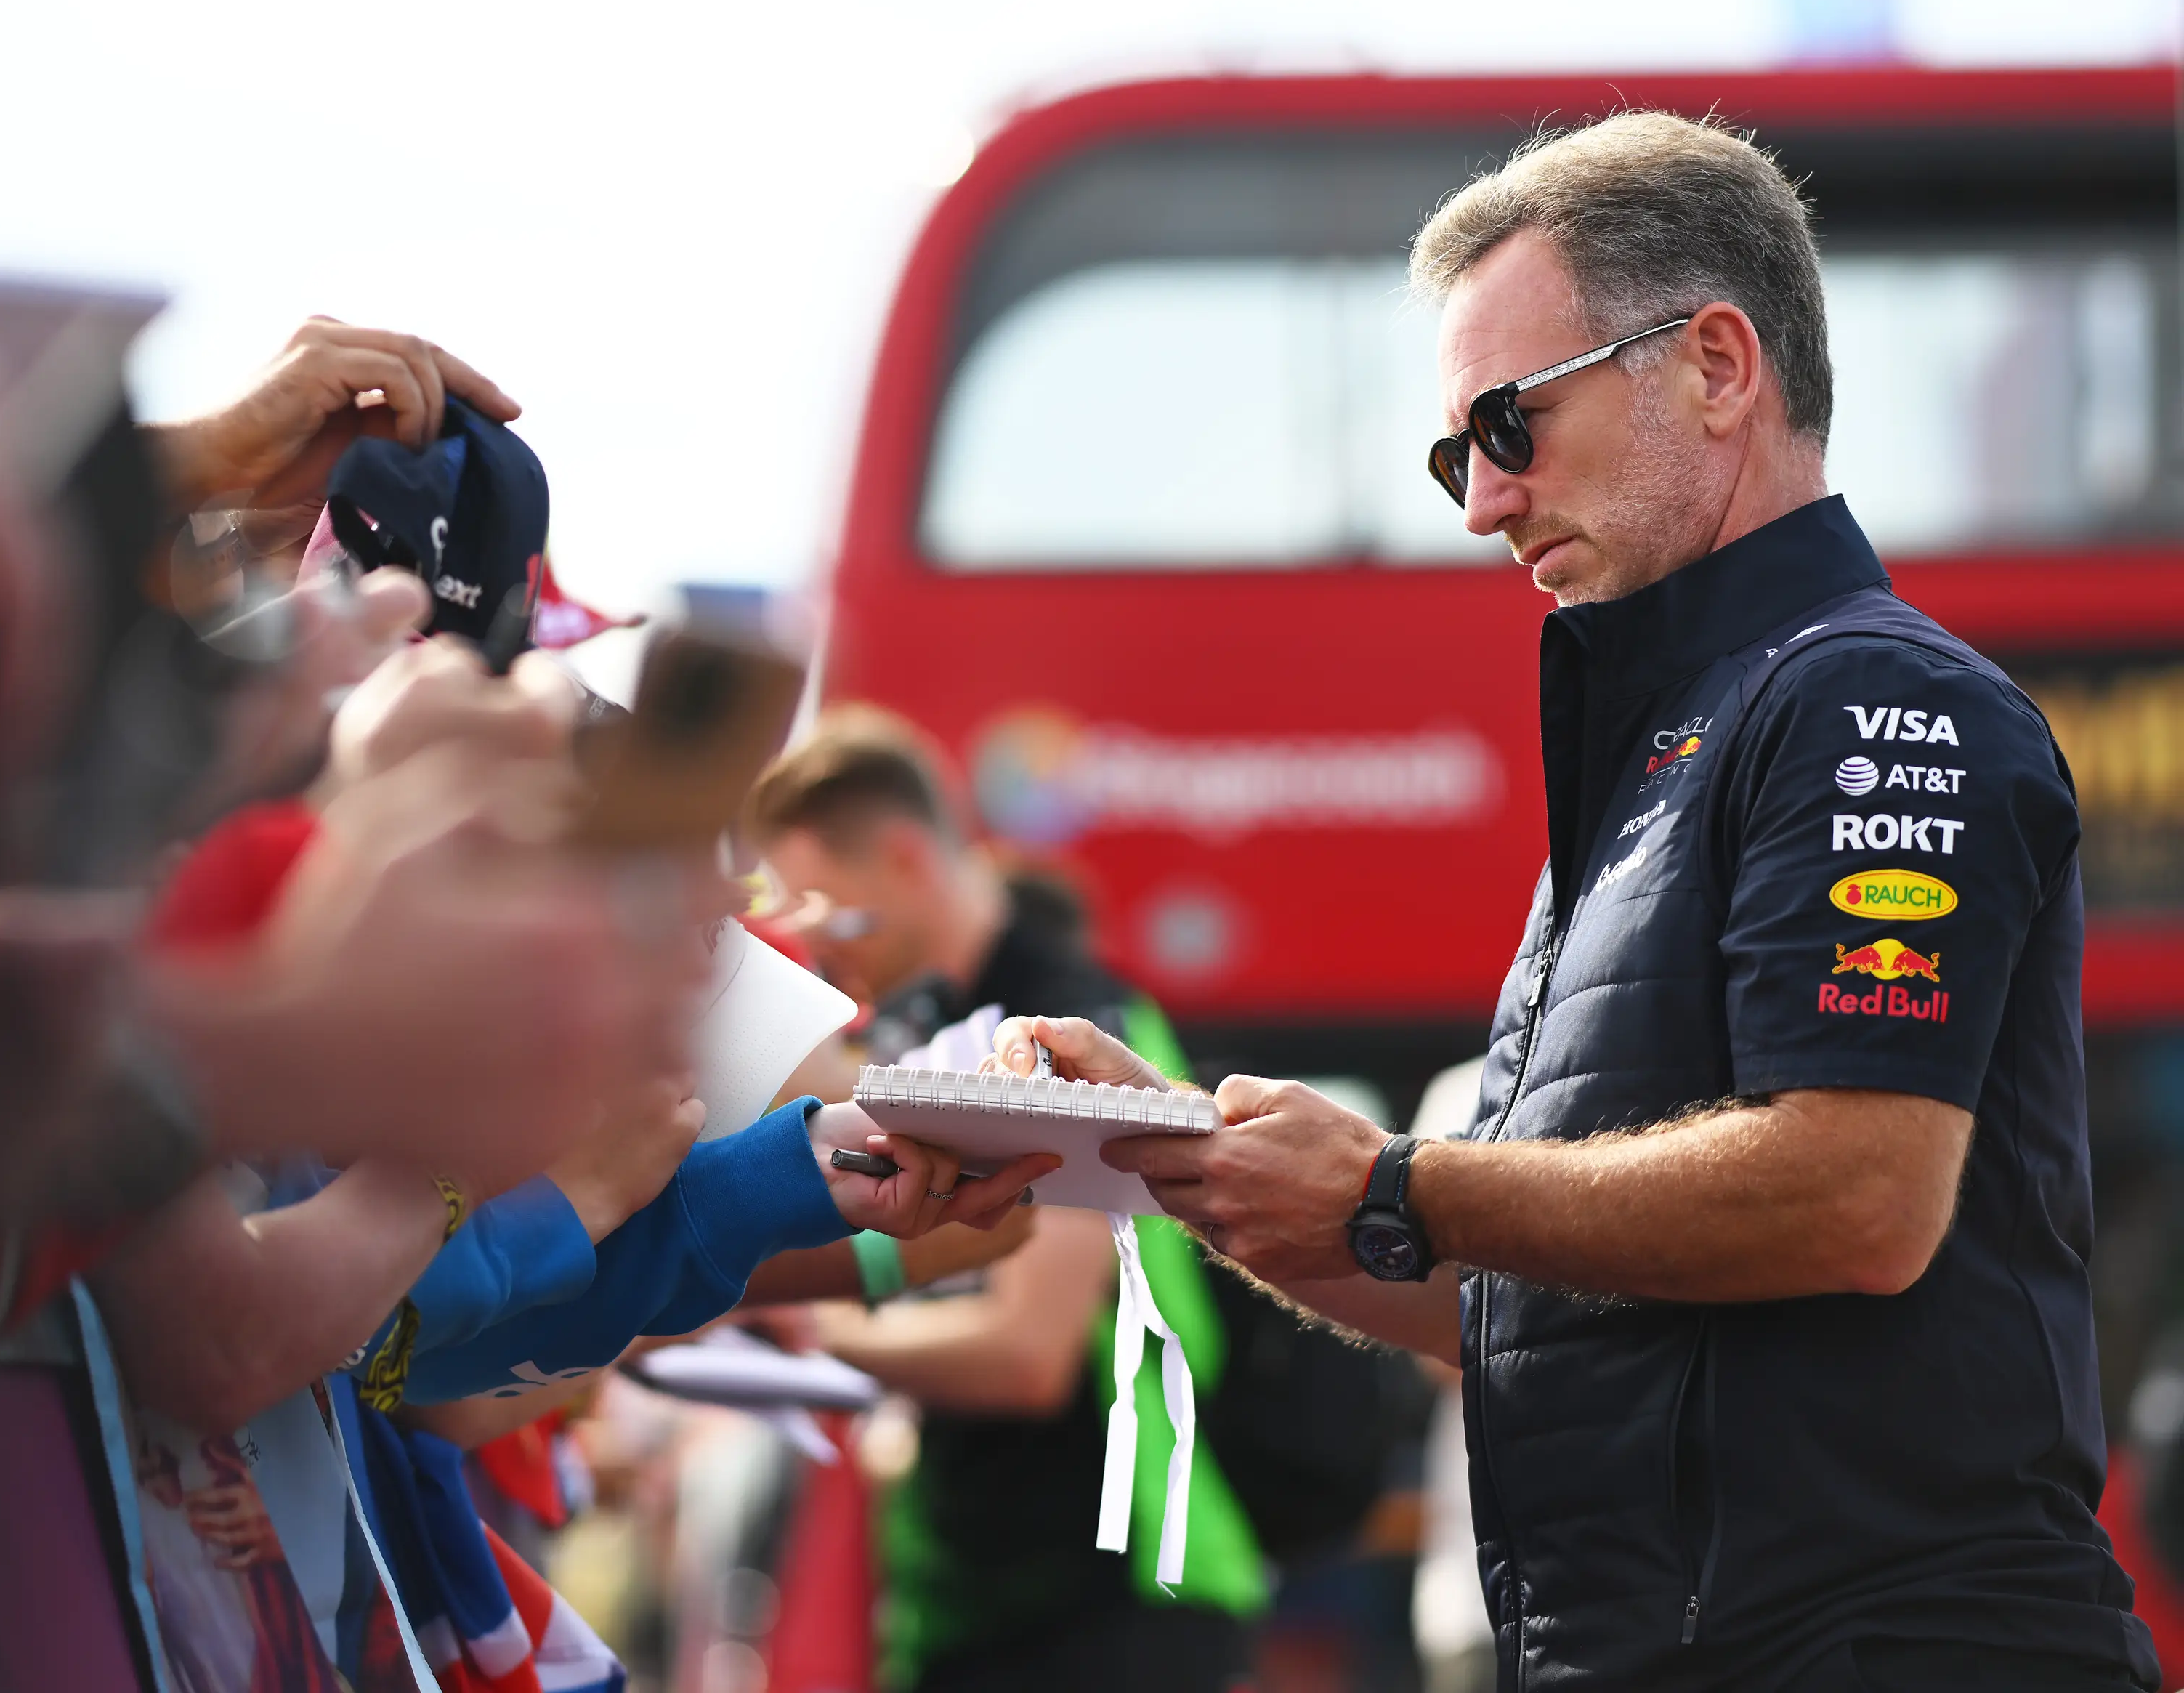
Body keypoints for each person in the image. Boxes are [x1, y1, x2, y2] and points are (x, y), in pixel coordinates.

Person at [999, 111, 2159, 1692]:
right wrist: (1181, 1159)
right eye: (1451, 451)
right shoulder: (1653, 774)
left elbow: (1859, 1192)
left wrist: (1403, 1177)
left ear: (1717, 365)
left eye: (1510, 423)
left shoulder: (1872, 695)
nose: (1479, 501)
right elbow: (1525, 1300)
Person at [744, 709, 1269, 1693]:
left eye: (825, 910)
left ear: (904, 857)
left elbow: (1028, 1355)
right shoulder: (934, 1022)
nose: (813, 946)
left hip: (1112, 1598)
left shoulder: (1071, 1027)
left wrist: (789, 1335)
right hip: (989, 1595)